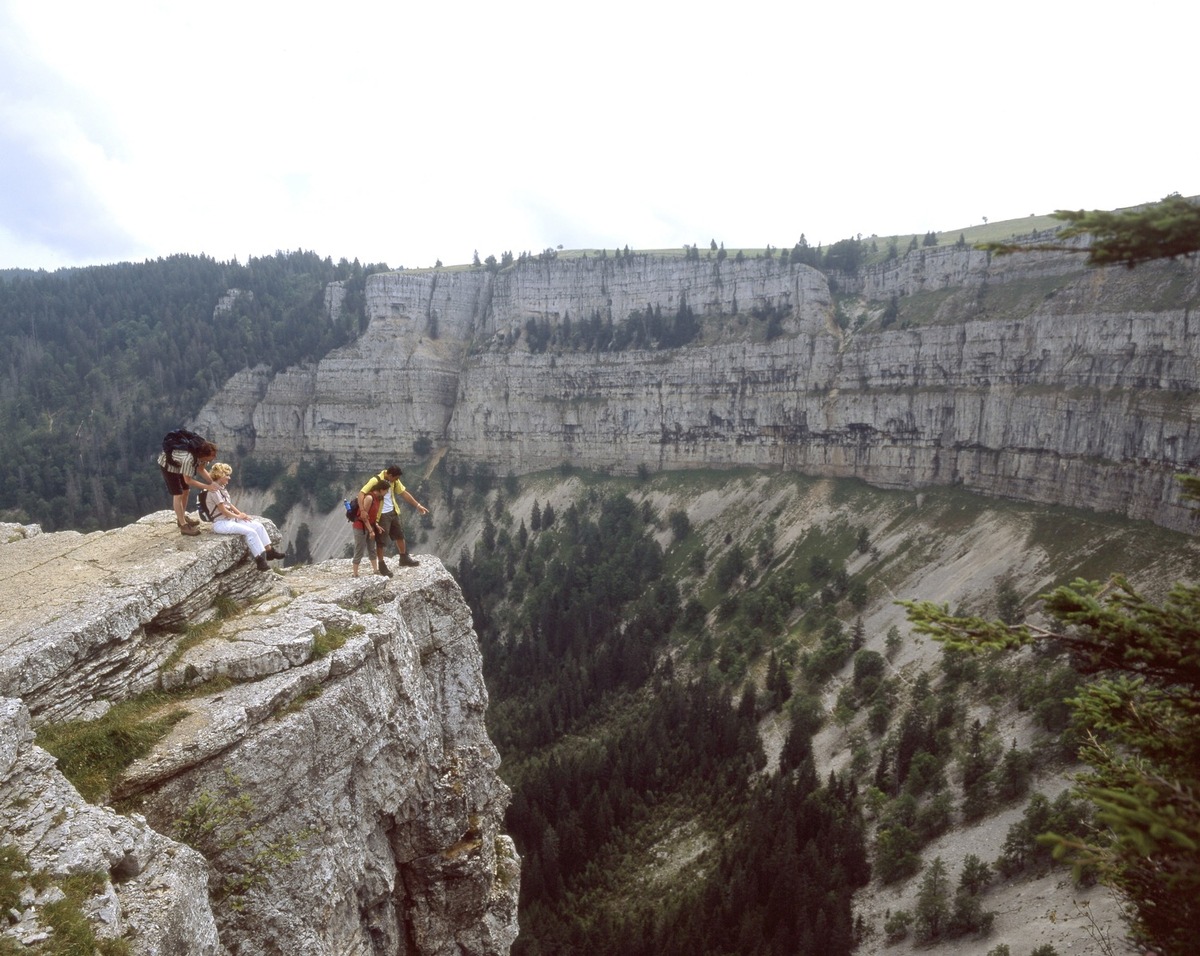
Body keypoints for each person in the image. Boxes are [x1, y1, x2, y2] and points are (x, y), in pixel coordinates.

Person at [208, 462, 286, 571]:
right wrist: (238, 516)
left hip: (231, 519)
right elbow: (223, 511)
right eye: (227, 475)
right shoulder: (214, 492)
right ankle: (260, 560)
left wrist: (241, 515)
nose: (229, 478)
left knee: (258, 526)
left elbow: (229, 505)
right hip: (221, 523)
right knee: (250, 532)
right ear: (220, 476)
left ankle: (270, 552)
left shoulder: (221, 489)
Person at [360, 465, 429, 576]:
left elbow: (404, 493)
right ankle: (381, 565)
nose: (397, 480)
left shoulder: (394, 482)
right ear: (390, 475)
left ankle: (403, 557)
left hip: (393, 512)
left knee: (400, 535)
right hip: (381, 515)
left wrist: (418, 505)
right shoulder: (375, 480)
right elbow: (362, 493)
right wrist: (363, 510)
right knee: (381, 541)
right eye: (396, 478)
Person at [158, 434, 219, 536]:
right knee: (178, 494)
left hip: (179, 464)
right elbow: (188, 481)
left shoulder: (201, 457)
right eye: (212, 456)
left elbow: (201, 469)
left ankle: (181, 517)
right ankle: (183, 525)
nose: (214, 458)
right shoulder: (190, 459)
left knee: (186, 491)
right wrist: (208, 487)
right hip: (168, 465)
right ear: (204, 455)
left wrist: (213, 482)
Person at [351, 485, 386, 577]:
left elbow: (373, 516)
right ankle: (355, 573)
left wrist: (376, 526)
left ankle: (375, 570)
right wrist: (370, 530)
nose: (386, 493)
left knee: (372, 548)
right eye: (386, 491)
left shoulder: (378, 499)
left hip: (370, 526)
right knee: (359, 549)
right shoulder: (369, 498)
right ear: (381, 489)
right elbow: (363, 516)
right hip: (360, 527)